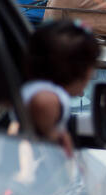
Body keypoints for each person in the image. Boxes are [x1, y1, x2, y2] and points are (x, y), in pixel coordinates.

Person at [21, 19, 100, 155]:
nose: (93, 74)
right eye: (92, 66)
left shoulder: (34, 86)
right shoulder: (49, 95)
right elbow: (43, 101)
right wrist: (52, 135)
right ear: (79, 69)